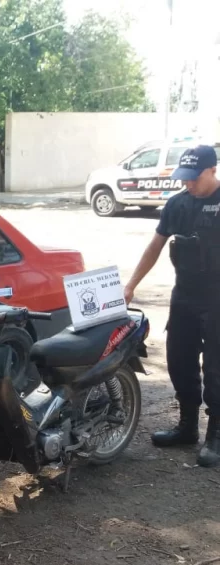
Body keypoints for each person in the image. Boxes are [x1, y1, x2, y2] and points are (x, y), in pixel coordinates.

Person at [124, 144, 220, 468]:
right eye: (185, 178)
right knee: (179, 361)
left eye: (194, 178)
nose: (188, 184)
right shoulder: (177, 204)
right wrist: (131, 284)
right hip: (185, 296)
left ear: (212, 170)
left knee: (217, 370)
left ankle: (216, 435)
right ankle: (188, 427)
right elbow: (155, 245)